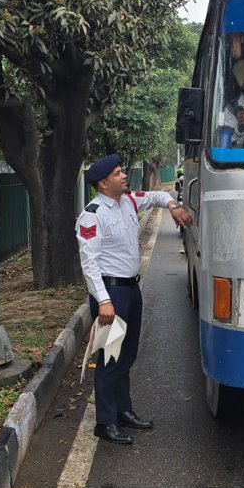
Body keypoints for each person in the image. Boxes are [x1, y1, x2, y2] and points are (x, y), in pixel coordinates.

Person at [75, 154, 192, 445]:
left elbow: (156, 196)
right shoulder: (92, 215)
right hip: (110, 294)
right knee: (110, 358)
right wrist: (102, 300)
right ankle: (105, 422)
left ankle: (123, 409)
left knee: (127, 355)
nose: (124, 176)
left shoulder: (128, 200)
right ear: (103, 183)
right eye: (117, 173)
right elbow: (89, 264)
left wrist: (174, 206)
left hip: (130, 289)